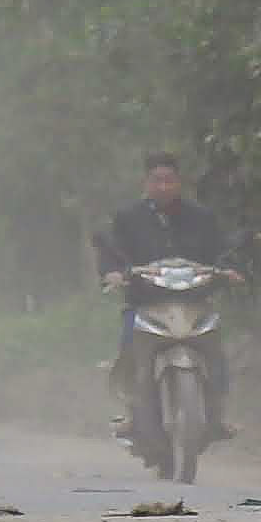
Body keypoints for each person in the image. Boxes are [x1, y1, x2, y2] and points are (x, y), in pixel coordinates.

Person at [91, 153, 237, 431]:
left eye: (169, 180)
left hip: (194, 303)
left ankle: (218, 413)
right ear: (145, 183)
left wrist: (227, 269)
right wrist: (112, 272)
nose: (163, 186)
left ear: (179, 182)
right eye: (157, 180)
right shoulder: (127, 218)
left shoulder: (201, 217)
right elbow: (111, 252)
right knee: (127, 346)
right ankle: (132, 411)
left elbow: (220, 250)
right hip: (145, 302)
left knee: (216, 351)